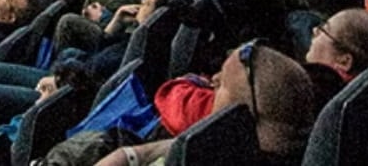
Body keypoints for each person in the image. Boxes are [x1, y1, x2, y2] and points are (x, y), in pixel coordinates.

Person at [91, 41, 317, 165]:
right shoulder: (231, 147)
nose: (214, 81)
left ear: (243, 117)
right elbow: (185, 146)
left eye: (222, 85)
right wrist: (131, 155)